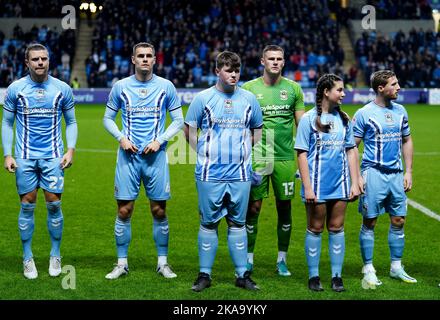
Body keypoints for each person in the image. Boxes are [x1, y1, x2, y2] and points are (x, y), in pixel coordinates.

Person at [184, 51, 263, 292]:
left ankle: (242, 275)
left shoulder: (249, 99)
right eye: (228, 70)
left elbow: (257, 131)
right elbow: (189, 129)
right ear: (217, 71)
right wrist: (204, 152)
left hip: (240, 173)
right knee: (208, 223)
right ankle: (204, 275)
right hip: (210, 173)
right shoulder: (203, 98)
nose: (234, 75)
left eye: (237, 70)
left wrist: (242, 152)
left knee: (237, 223)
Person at [103, 42, 183, 280]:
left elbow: (178, 120)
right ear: (133, 59)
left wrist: (160, 140)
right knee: (124, 210)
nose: (145, 59)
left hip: (155, 158)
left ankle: (162, 262)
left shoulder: (166, 87)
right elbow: (107, 118)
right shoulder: (121, 87)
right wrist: (121, 138)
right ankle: (121, 263)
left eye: (149, 56)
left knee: (159, 210)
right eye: (141, 56)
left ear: (154, 60)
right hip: (128, 158)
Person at [1, 43, 78, 279]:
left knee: (54, 204)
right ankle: (27, 258)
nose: (40, 62)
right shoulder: (16, 89)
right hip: (24, 157)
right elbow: (6, 123)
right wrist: (7, 153)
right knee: (27, 204)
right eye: (35, 59)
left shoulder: (62, 88)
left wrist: (70, 150)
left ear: (49, 61)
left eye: (44, 58)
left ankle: (55, 255)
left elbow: (71, 121)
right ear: (27, 63)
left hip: (54, 157)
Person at [242, 45, 305, 276]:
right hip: (259, 156)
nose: (275, 62)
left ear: (284, 62)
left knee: (284, 207)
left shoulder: (293, 89)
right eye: (271, 59)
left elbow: (303, 125)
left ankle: (282, 260)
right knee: (254, 207)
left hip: (285, 157)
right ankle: (248, 259)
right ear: (262, 61)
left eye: (279, 59)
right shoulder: (248, 89)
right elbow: (242, 124)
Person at [294, 74, 360, 292]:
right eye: (339, 90)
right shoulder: (309, 119)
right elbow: (302, 154)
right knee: (314, 228)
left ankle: (336, 276)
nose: (343, 94)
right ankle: (313, 276)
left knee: (336, 227)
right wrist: (308, 187)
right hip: (317, 184)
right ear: (326, 92)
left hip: (340, 184)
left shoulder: (344, 119)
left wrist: (354, 181)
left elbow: (351, 150)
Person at [353, 70, 416, 289]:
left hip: (396, 175)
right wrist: (356, 177)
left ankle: (396, 266)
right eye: (394, 84)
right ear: (381, 88)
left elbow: (406, 141)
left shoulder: (401, 111)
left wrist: (408, 171)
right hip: (374, 174)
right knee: (370, 221)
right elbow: (352, 147)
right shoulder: (364, 113)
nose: (399, 87)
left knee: (399, 220)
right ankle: (368, 267)